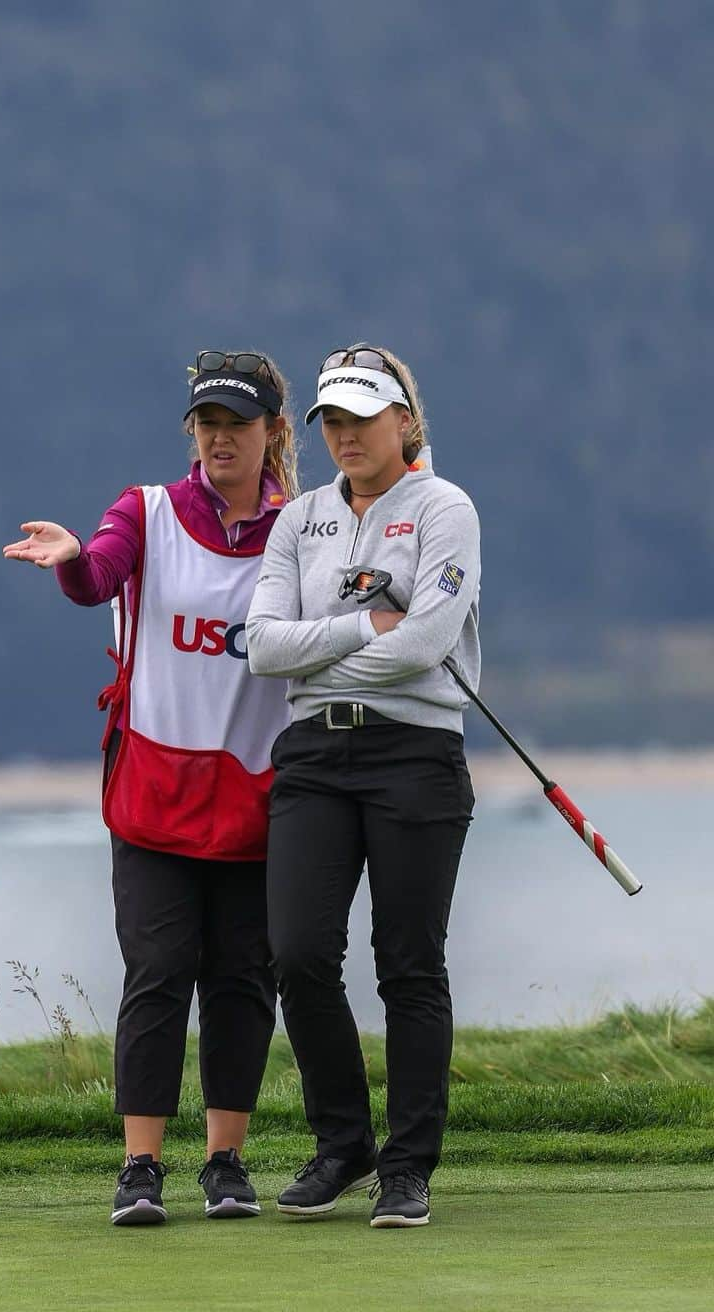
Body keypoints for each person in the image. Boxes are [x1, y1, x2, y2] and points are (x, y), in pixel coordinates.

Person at [3, 352, 297, 1225]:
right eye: (206, 423)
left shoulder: (302, 530)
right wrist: (68, 560)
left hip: (258, 792)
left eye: (236, 425)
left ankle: (226, 1160)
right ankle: (140, 1167)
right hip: (155, 792)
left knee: (244, 978)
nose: (218, 439)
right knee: (159, 970)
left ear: (273, 434)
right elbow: (98, 573)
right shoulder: (149, 510)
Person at [245, 343, 479, 1228]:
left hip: (416, 754)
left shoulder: (445, 509)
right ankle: (344, 1144)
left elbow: (426, 643)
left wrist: (328, 652)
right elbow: (261, 646)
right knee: (298, 953)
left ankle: (409, 1166)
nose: (343, 433)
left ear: (405, 421)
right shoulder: (298, 518)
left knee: (409, 964)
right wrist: (360, 625)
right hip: (312, 761)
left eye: (360, 416)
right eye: (330, 420)